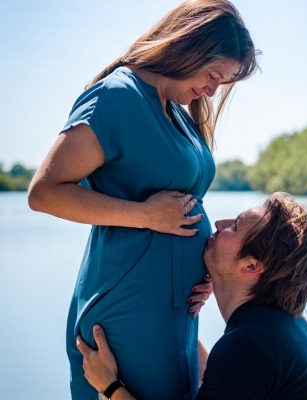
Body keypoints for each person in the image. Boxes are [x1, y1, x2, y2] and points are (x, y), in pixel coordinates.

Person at [27, 1, 259, 399]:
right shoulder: (117, 97)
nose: (213, 89)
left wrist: (202, 267)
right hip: (128, 309)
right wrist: (144, 215)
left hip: (173, 315)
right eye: (212, 75)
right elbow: (43, 193)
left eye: (224, 82)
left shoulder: (179, 112)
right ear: (189, 47)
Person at [77, 192, 307, 399]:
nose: (220, 223)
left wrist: (110, 385)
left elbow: (239, 366)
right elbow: (236, 381)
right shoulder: (283, 326)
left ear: (251, 266)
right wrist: (172, 320)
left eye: (235, 226)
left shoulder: (249, 346)